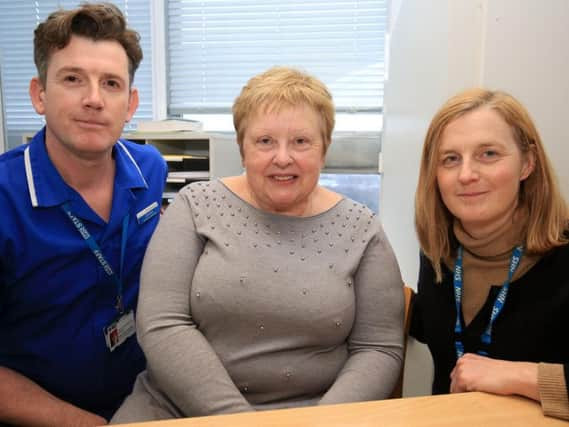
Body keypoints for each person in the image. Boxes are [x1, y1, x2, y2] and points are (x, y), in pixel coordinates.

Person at [111, 66, 404, 423]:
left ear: (324, 148)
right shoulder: (194, 206)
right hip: (177, 408)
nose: (283, 157)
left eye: (301, 141)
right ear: (242, 148)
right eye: (265, 141)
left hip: (316, 414)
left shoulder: (361, 228)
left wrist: (323, 422)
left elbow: (378, 348)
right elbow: (162, 323)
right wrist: (240, 421)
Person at [0, 3, 167, 426]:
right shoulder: (6, 198)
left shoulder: (150, 171)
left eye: (110, 83)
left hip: (146, 399)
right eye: (73, 79)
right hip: (39, 413)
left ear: (130, 104)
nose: (94, 99)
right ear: (39, 94)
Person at [411, 88, 569, 419]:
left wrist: (523, 376)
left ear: (527, 163)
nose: (467, 174)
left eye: (488, 154)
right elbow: (437, 325)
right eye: (450, 159)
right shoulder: (438, 251)